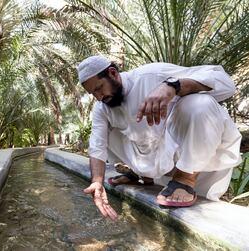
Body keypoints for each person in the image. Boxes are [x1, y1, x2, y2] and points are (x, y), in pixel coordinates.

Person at [78, 55, 242, 221]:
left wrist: (173, 86)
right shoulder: (102, 107)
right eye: (93, 93)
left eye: (99, 88)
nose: (99, 97)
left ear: (113, 73)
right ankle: (141, 173)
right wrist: (97, 182)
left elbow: (226, 84)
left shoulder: (152, 75)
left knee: (200, 104)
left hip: (188, 153)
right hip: (152, 157)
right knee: (102, 133)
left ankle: (185, 179)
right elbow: (97, 145)